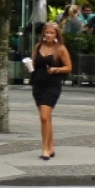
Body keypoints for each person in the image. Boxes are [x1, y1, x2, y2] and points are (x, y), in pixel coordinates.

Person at [28, 21, 72, 160]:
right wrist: (28, 66)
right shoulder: (38, 46)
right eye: (46, 32)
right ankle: (51, 146)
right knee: (46, 119)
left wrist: (56, 69)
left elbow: (69, 67)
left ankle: (45, 148)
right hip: (38, 84)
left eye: (52, 33)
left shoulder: (60, 49)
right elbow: (34, 64)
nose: (49, 35)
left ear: (56, 34)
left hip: (52, 85)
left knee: (44, 117)